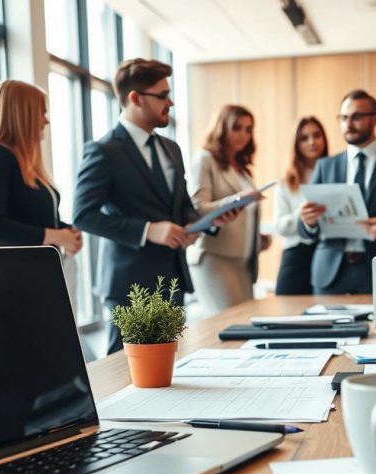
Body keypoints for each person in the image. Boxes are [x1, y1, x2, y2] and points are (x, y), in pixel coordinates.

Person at [73, 58, 237, 355]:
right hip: (129, 284)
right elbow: (84, 215)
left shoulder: (170, 149)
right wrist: (149, 230)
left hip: (171, 278)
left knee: (168, 369)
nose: (170, 102)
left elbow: (182, 207)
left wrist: (205, 222)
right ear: (135, 98)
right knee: (122, 372)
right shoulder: (104, 151)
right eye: (162, 95)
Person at [0, 80, 83, 308]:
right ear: (22, 115)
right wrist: (57, 237)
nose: (46, 120)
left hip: (31, 276)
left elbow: (28, 216)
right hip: (8, 280)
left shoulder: (21, 162)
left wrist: (64, 230)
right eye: (42, 112)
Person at [297, 89, 376, 294]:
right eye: (343, 118)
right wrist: (308, 221)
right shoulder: (325, 166)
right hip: (330, 273)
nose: (348, 124)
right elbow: (304, 230)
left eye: (356, 117)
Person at [186, 105, 269, 317]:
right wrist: (238, 199)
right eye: (237, 127)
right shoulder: (205, 159)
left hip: (244, 260)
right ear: (222, 128)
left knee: (246, 324)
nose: (244, 135)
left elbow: (243, 217)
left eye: (249, 129)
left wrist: (258, 239)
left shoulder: (241, 167)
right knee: (232, 325)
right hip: (215, 257)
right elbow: (198, 207)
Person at [274, 116, 328, 295]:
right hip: (296, 254)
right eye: (304, 138)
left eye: (316, 135)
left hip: (328, 253)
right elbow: (280, 226)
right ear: (296, 144)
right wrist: (303, 213)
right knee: (287, 310)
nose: (312, 142)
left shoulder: (336, 173)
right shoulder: (286, 181)